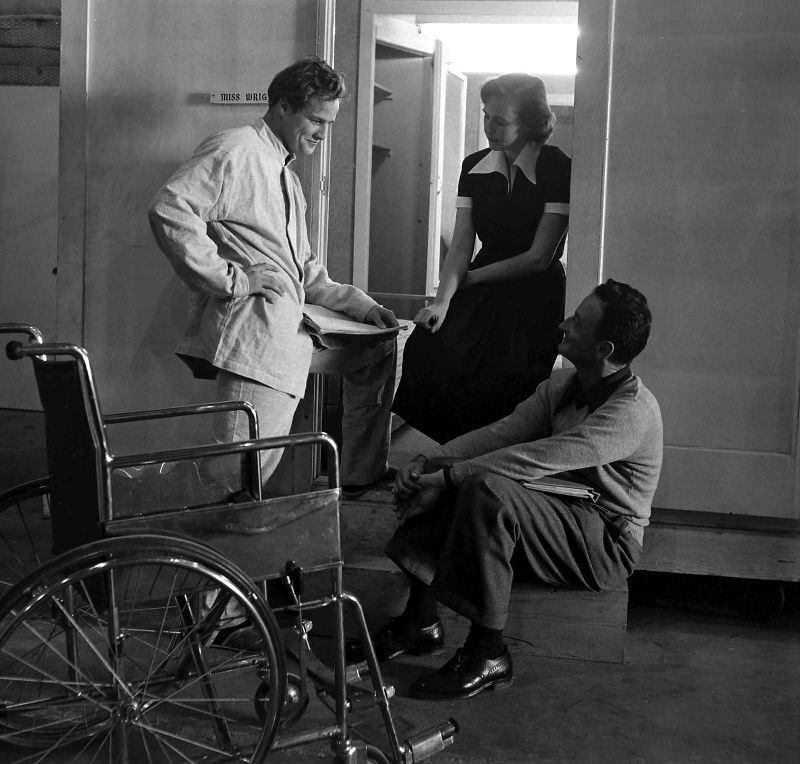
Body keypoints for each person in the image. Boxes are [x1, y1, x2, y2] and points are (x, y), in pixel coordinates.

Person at [375, 279, 663, 700]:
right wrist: (429, 464)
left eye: (578, 323)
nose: (564, 324)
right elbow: (503, 433)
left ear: (606, 351)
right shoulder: (565, 384)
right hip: (559, 513)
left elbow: (534, 459)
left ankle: (488, 652)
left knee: (486, 489)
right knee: (464, 478)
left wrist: (448, 477)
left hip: (605, 541)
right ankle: (419, 623)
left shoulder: (630, 412)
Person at [149, 57, 398, 493]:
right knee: (237, 475)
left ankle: (359, 474)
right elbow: (170, 209)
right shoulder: (236, 149)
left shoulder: (286, 174)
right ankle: (200, 553)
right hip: (257, 341)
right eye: (316, 120)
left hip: (290, 334)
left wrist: (363, 307)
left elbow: (307, 275)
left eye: (329, 122)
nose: (323, 133)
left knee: (383, 347)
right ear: (283, 107)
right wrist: (233, 280)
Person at [392, 73, 571, 444]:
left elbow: (538, 257)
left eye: (500, 120)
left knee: (506, 372)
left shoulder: (557, 167)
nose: (490, 126)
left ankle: (495, 459)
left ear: (531, 122)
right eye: (486, 116)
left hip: (533, 291)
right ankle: (457, 452)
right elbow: (461, 245)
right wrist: (443, 300)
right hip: (481, 280)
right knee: (431, 345)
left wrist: (469, 281)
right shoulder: (474, 166)